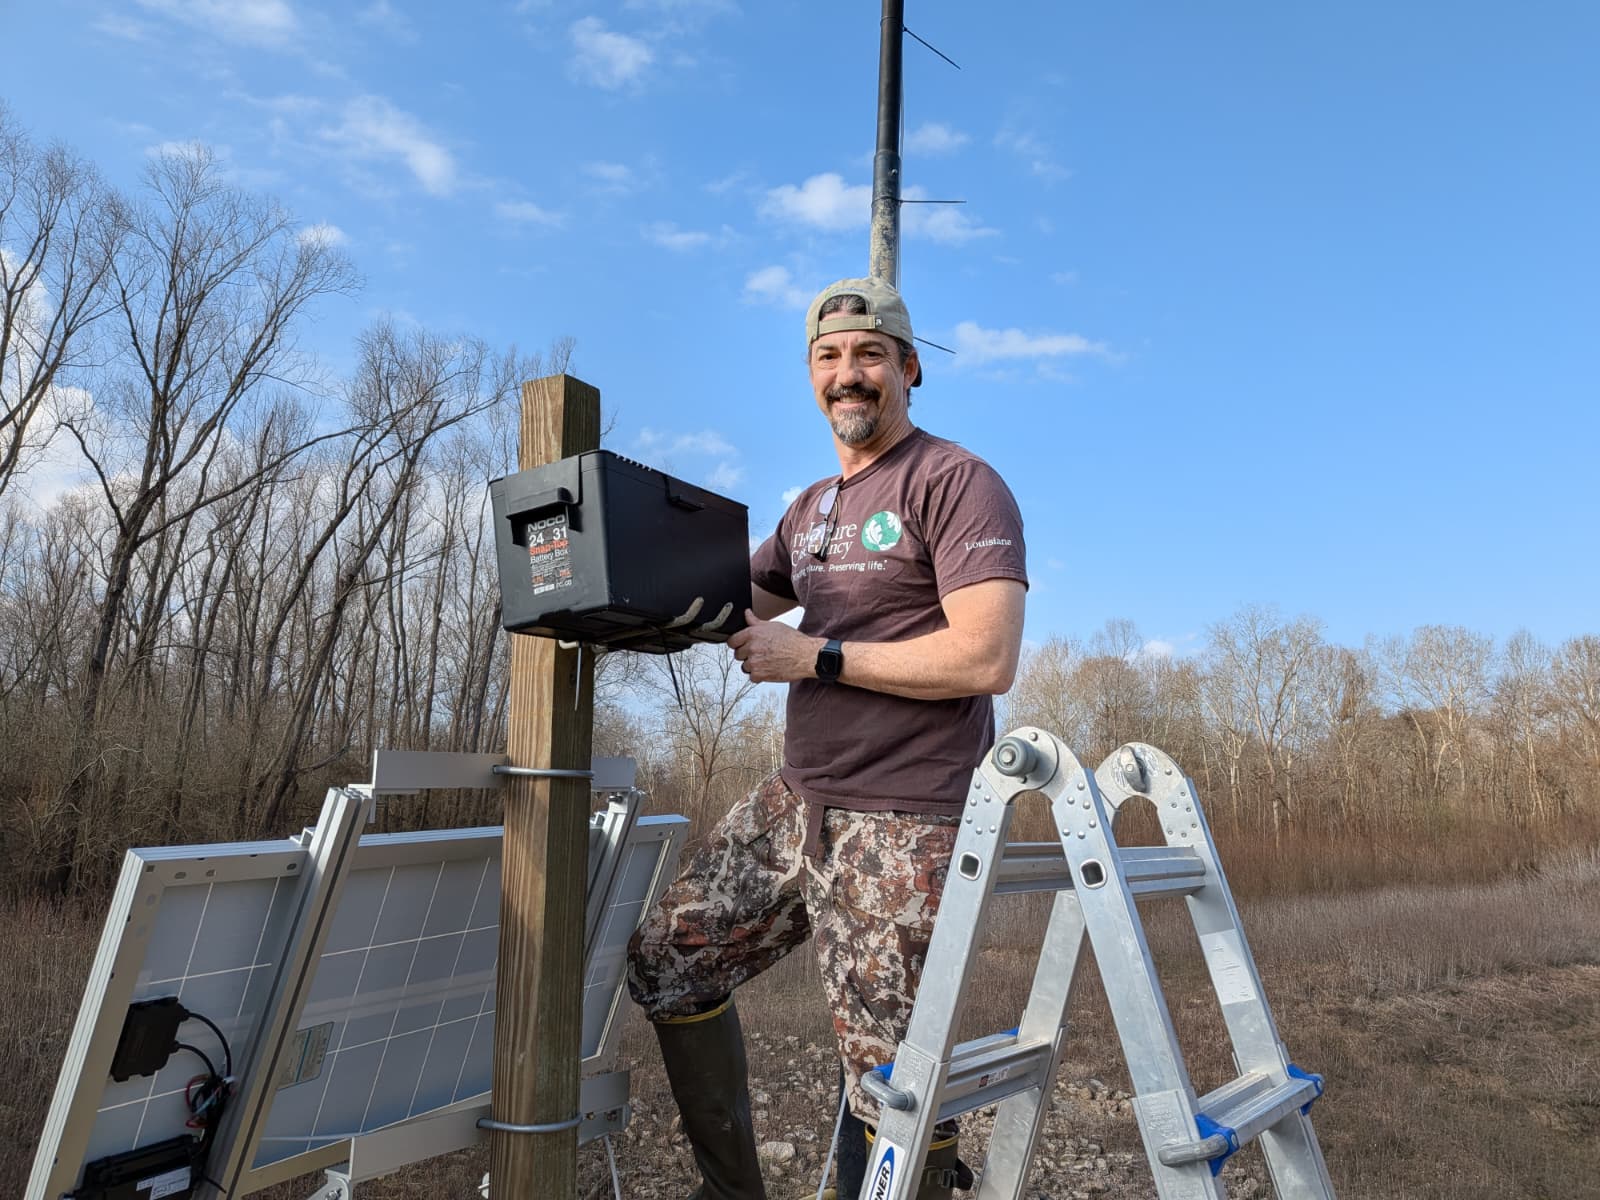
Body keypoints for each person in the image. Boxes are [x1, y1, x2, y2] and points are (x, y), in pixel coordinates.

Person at [627, 277, 1027, 1199]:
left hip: (905, 816)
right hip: (799, 799)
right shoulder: (810, 509)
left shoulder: (955, 482)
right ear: (811, 374)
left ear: (910, 369)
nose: (849, 374)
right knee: (669, 956)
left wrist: (816, 656)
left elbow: (987, 656)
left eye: (870, 354)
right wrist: (603, 591)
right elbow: (725, 601)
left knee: (891, 1079)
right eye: (829, 356)